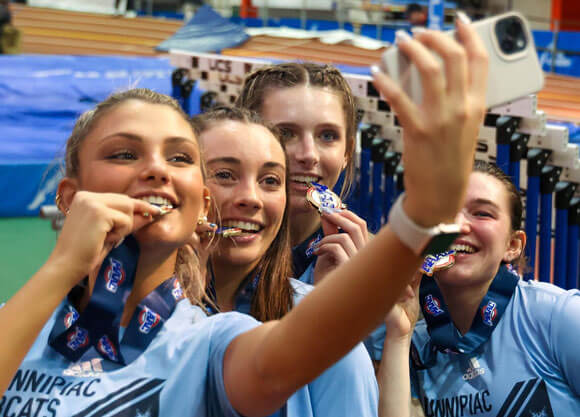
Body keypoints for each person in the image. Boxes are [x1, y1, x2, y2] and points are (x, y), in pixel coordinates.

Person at [0, 13, 488, 416]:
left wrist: (422, 216)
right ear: (68, 194)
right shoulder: (22, 318)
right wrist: (61, 269)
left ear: (198, 204)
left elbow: (284, 358)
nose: (155, 170)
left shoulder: (216, 338)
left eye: (177, 157)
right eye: (124, 154)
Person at [192, 106, 378, 416]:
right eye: (224, 175)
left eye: (270, 180)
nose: (251, 197)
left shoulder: (324, 332)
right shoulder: (124, 310)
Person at [379, 161, 580, 417]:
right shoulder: (415, 345)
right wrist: (398, 337)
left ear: (513, 245)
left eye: (482, 213)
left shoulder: (557, 317)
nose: (459, 225)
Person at [236, 62, 370, 287]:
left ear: (347, 152)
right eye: (285, 133)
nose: (309, 155)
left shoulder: (379, 267)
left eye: (327, 136)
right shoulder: (202, 250)